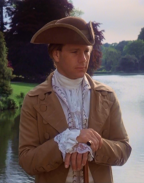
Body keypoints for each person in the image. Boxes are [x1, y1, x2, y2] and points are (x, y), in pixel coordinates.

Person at [19, 16, 132, 183]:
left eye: (86, 51)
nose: (83, 59)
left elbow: (123, 151)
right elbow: (27, 161)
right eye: (75, 52)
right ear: (56, 55)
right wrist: (66, 141)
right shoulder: (34, 100)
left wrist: (92, 144)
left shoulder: (107, 96)